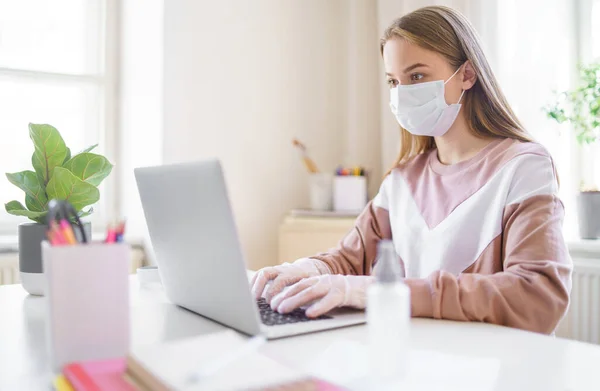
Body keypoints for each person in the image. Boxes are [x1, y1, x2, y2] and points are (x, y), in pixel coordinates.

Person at [250, 5, 572, 334]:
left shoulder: (524, 167)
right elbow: (349, 259)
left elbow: (537, 296)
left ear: (467, 74)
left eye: (416, 76)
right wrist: (305, 270)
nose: (402, 93)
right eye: (394, 81)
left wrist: (390, 293)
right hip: (411, 359)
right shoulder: (402, 179)